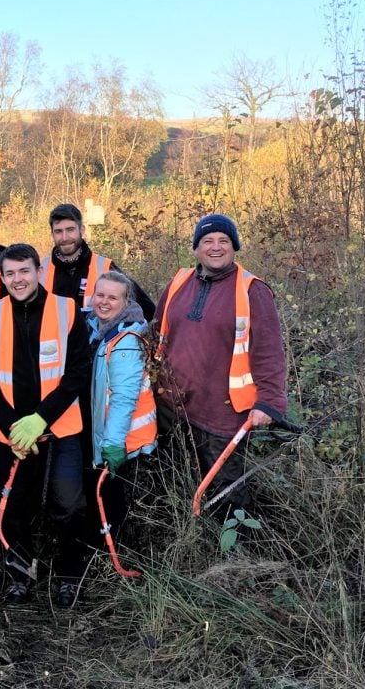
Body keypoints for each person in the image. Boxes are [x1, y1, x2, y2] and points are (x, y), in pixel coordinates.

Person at [0, 244, 91, 607]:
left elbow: (78, 372)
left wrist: (41, 417)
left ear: (39, 272)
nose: (17, 280)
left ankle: (70, 576)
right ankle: (19, 576)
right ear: (2, 277)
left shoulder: (66, 310)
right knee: (15, 506)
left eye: (24, 271)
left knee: (68, 504)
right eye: (10, 274)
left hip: (60, 428)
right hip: (11, 434)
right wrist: (11, 426)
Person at [151, 214, 287, 519]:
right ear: (196, 249)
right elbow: (156, 331)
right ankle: (182, 534)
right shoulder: (179, 282)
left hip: (223, 413)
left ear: (234, 246)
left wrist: (269, 400)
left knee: (227, 489)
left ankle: (231, 557)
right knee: (175, 476)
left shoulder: (252, 290)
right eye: (207, 241)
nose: (216, 247)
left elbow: (269, 351)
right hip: (173, 405)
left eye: (223, 241)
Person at [86, 271, 157, 543]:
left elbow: (123, 397)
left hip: (123, 443)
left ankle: (118, 556)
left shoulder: (126, 340)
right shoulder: (98, 328)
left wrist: (112, 443)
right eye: (100, 295)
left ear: (126, 302)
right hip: (108, 436)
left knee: (117, 503)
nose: (104, 302)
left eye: (113, 298)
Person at [42, 203, 156, 321]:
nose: (65, 237)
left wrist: (120, 333)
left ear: (82, 230)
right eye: (58, 231)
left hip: (94, 339)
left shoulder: (105, 267)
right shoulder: (40, 270)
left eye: (70, 230)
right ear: (52, 234)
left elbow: (148, 310)